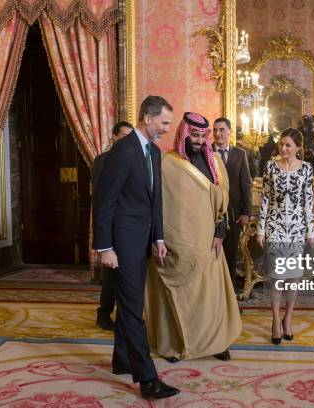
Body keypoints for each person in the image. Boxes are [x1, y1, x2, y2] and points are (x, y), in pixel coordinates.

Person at [93, 96, 179, 399]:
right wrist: (105, 247)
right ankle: (148, 379)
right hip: (121, 245)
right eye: (164, 122)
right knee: (131, 311)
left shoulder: (154, 152)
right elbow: (104, 201)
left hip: (142, 244)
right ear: (147, 118)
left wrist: (158, 238)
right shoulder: (122, 152)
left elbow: (155, 200)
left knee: (132, 305)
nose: (168, 128)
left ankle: (123, 361)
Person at [145, 112, 242, 362]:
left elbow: (224, 201)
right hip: (176, 243)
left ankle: (215, 343)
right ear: (184, 134)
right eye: (194, 135)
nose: (199, 141)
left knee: (210, 296)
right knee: (179, 297)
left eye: (202, 136)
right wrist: (158, 239)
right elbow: (155, 204)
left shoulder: (215, 164)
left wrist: (220, 233)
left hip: (208, 243)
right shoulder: (166, 164)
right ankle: (175, 343)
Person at [256, 128, 314, 344]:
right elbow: (265, 199)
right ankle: (274, 320)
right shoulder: (271, 166)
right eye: (282, 144)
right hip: (275, 228)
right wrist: (260, 229)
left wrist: (311, 231)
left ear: (298, 148)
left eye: (288, 145)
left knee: (293, 279)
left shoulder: (307, 169)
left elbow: (308, 202)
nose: (283, 148)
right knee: (276, 279)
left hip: (297, 230)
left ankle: (288, 319)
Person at [94, 120, 133, 331]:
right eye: (124, 136)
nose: (128, 140)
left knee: (119, 275)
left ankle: (118, 313)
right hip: (111, 226)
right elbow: (102, 200)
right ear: (114, 137)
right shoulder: (103, 161)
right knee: (112, 273)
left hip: (128, 227)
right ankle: (104, 312)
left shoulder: (133, 157)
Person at [212, 117, 253, 291]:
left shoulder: (240, 154)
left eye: (221, 130)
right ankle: (214, 298)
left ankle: (231, 301)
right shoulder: (206, 153)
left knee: (230, 257)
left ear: (229, 132)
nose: (218, 133)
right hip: (211, 214)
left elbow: (246, 185)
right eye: (215, 130)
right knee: (212, 257)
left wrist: (246, 212)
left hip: (234, 216)